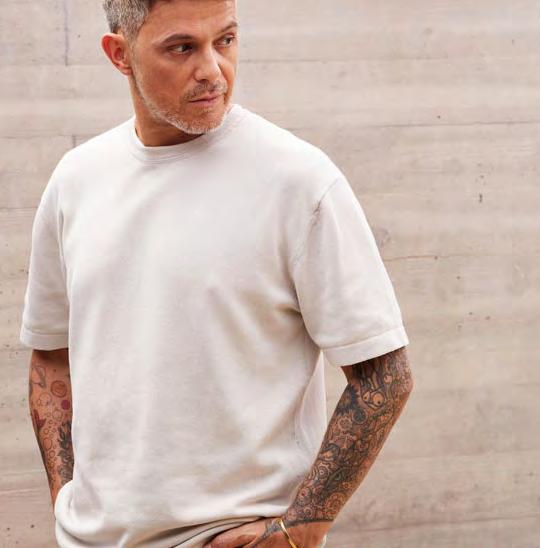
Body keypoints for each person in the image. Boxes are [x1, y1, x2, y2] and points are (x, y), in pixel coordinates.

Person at [20, 0, 414, 547]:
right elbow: (50, 355)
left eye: (225, 40)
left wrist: (300, 527)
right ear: (120, 54)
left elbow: (384, 375)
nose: (212, 70)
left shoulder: (298, 181)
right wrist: (66, 498)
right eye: (182, 48)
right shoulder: (76, 181)